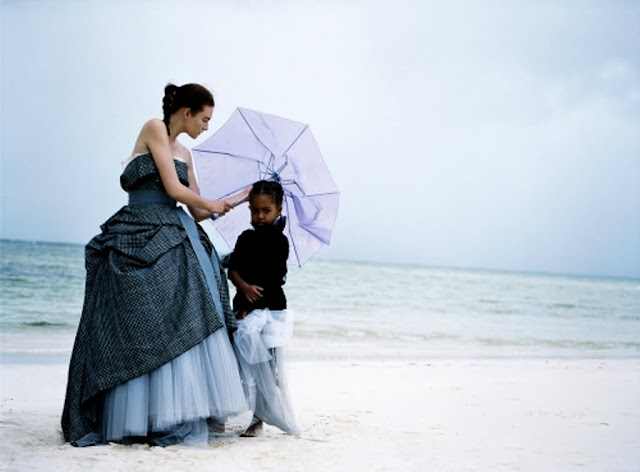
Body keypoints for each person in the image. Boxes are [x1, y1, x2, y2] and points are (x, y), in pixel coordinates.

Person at [61, 83, 252, 447]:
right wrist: (210, 203)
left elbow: (196, 210)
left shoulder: (186, 154)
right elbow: (173, 188)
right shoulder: (154, 128)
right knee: (131, 321)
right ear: (186, 112)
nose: (206, 127)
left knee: (178, 318)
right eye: (205, 119)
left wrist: (239, 198)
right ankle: (121, 410)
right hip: (137, 228)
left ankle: (167, 412)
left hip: (174, 232)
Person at [226, 180, 299, 437]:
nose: (259, 216)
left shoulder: (280, 242)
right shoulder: (245, 238)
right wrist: (244, 287)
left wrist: (251, 303)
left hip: (271, 310)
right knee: (246, 365)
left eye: (266, 211)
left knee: (267, 366)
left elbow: (272, 278)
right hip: (245, 306)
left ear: (278, 210)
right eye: (254, 210)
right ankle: (246, 414)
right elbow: (232, 269)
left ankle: (260, 418)